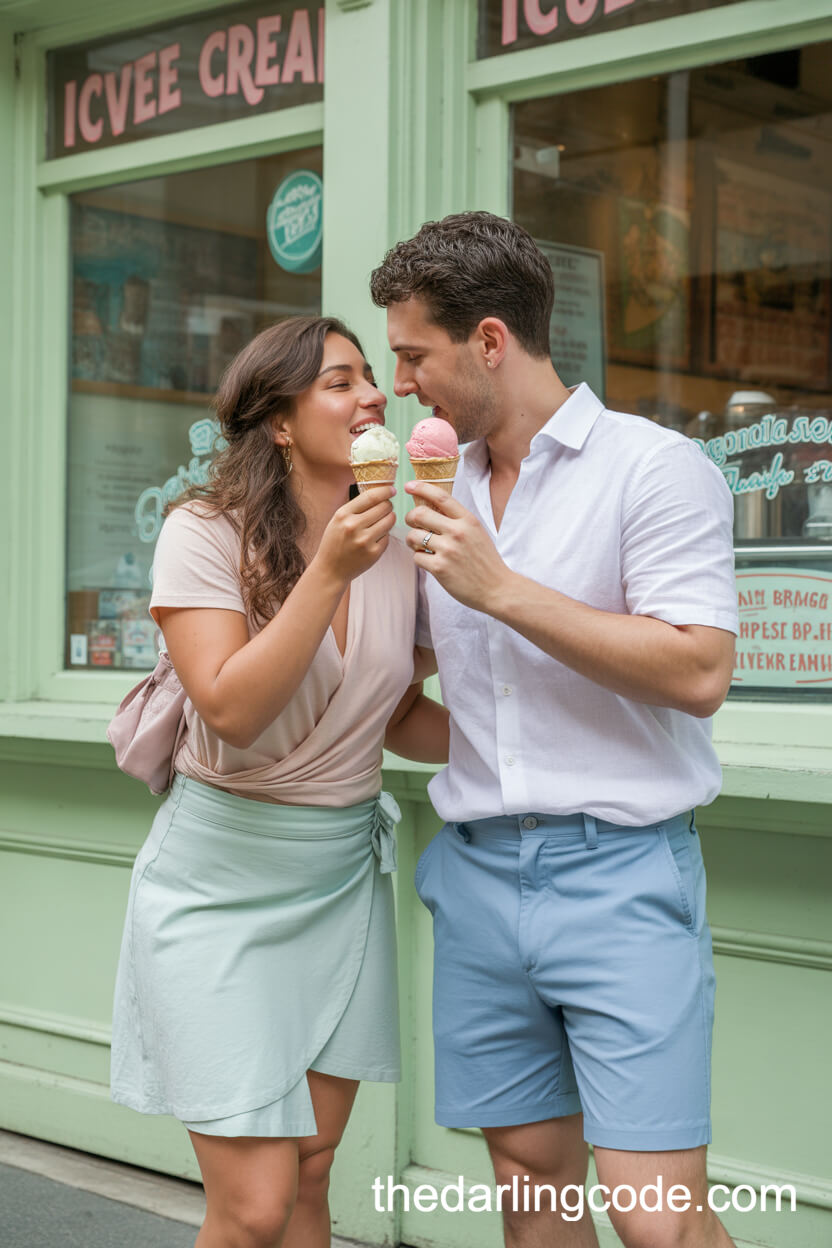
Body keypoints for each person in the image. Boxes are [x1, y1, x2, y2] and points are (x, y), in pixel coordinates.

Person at [370, 213, 739, 1248]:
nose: (401, 386)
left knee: (656, 1216)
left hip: (618, 875)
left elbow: (698, 670)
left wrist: (500, 590)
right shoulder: (432, 493)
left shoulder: (652, 469)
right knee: (531, 1194)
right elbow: (424, 702)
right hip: (478, 875)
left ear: (489, 340)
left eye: (413, 356)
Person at [110, 315, 447, 1248]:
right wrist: (330, 570)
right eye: (340, 380)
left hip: (338, 880)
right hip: (218, 885)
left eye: (373, 377)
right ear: (282, 422)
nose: (372, 394)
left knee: (309, 1174)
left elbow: (395, 716)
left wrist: (531, 736)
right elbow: (230, 708)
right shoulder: (203, 532)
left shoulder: (397, 542)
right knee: (254, 1204)